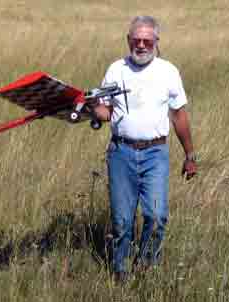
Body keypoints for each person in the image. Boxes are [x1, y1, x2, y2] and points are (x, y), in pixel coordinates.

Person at [93, 16, 197, 283]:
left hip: (156, 154)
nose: (141, 45)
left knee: (157, 215)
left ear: (156, 42)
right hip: (121, 153)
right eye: (136, 40)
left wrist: (190, 156)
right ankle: (120, 270)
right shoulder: (116, 70)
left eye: (147, 40)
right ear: (128, 41)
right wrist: (97, 111)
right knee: (122, 221)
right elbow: (103, 108)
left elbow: (179, 116)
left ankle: (147, 267)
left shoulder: (168, 71)